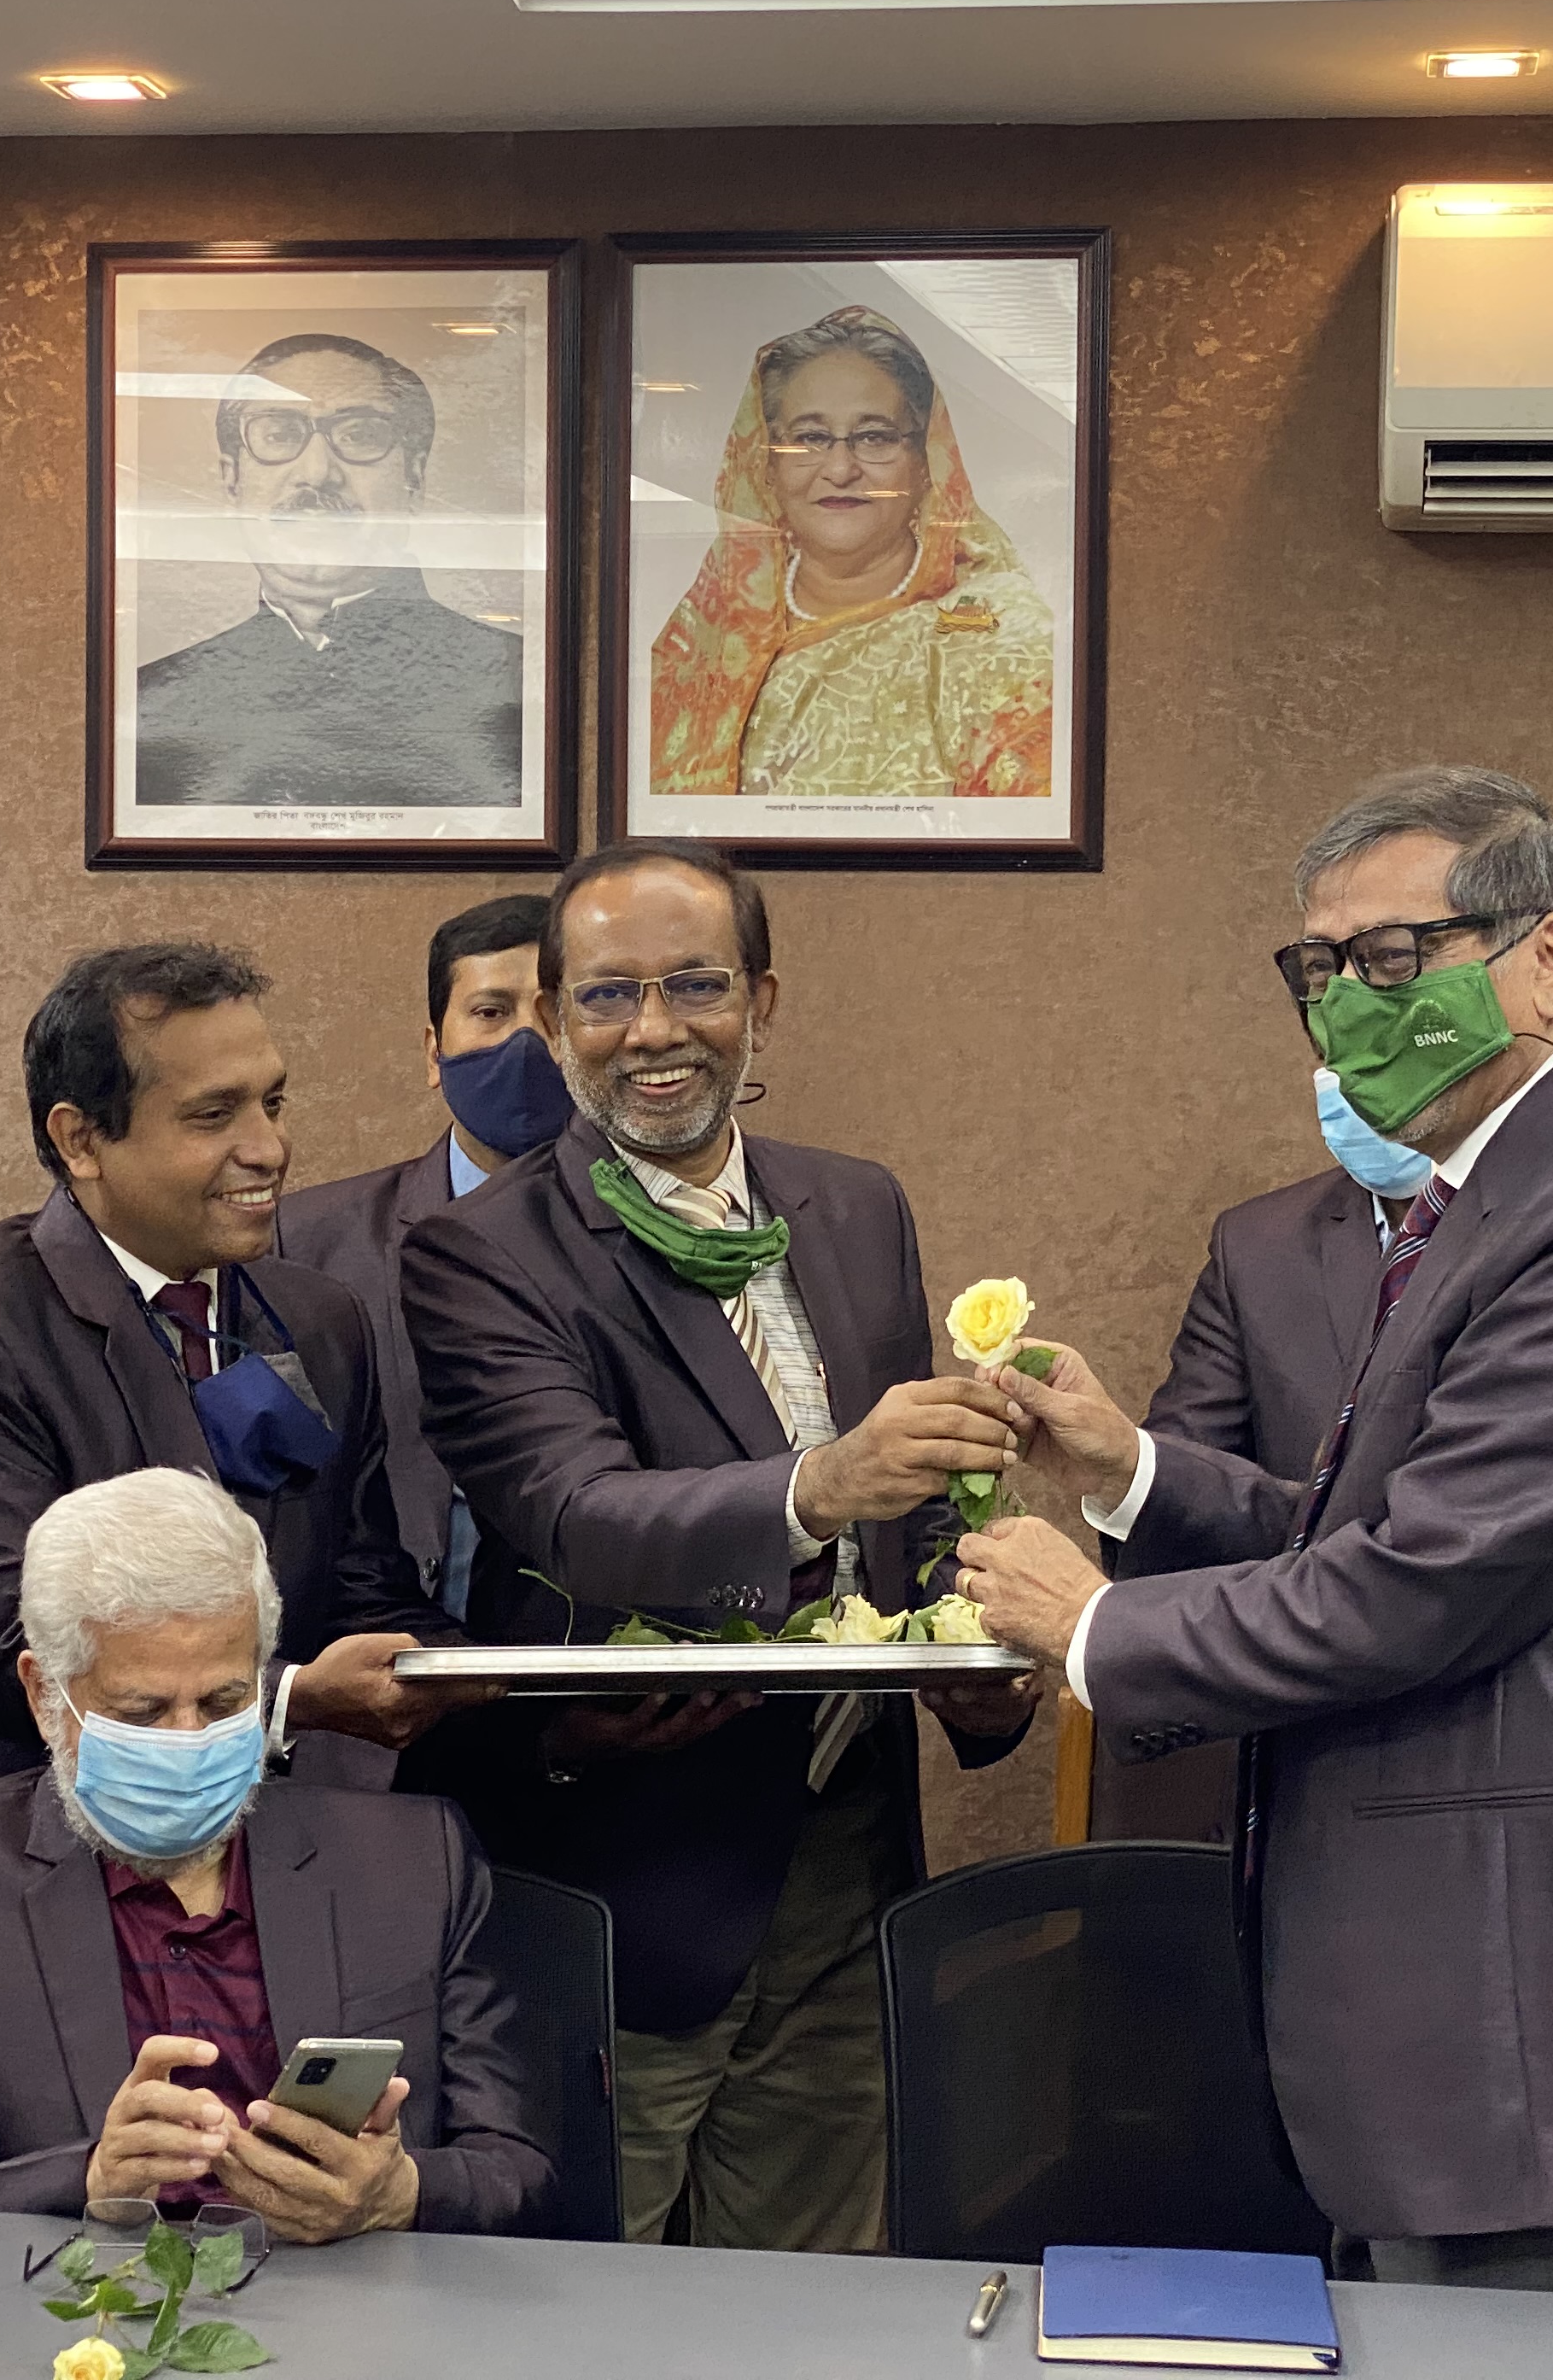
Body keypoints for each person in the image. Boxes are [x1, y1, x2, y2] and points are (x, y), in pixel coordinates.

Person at [958, 766, 1553, 2298]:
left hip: (1550, 2040)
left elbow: (1425, 1581)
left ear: (1549, 957)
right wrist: (1132, 1472)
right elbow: (1389, 1525)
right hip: (1471, 2046)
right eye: (1320, 967)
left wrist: (1093, 1625)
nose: (1347, 1004)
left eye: (1392, 956)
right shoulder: (1500, 1193)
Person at [398, 837, 1041, 2252]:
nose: (655, 1030)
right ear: (555, 1018)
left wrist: (983, 1659)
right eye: (609, 994)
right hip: (633, 1869)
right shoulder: (483, 1251)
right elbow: (575, 1514)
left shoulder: (855, 1203)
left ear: (761, 999)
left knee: (815, 2304)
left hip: (845, 1860)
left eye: (695, 984)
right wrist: (825, 1481)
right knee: (579, 2303)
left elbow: (916, 1508)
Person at [0, 942, 475, 2043]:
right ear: (81, 1140)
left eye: (272, 1102)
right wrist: (291, 1700)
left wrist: (515, 1687)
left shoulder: (319, 1318)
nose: (269, 1148)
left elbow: (360, 1582)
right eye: (214, 1115)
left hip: (228, 1913)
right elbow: (1, 1643)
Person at [0, 1468, 553, 2236]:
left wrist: (401, 2194)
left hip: (353, 2296)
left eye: (224, 1702)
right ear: (43, 1692)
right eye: (142, 1711)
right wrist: (90, 2180)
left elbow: (519, 2170)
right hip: (80, 2300)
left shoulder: (413, 1862)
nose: (189, 1740)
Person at [1092, 1069, 1421, 1842]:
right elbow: (1179, 1496)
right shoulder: (1258, 1247)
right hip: (1305, 1780)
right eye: (1327, 1033)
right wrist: (1120, 1470)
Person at [276, 891, 568, 1614]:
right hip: (380, 1647)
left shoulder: (683, 1233)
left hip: (608, 1655)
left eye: (553, 1014)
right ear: (435, 1053)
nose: (526, 1042)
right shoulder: (305, 1245)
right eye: (491, 1012)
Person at [647, 304, 1054, 799]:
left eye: (875, 437)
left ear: (925, 461)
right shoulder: (711, 627)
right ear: (767, 466)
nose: (840, 469)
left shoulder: (993, 631)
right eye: (810, 438)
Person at [135, 331, 526, 810]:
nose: (317, 472)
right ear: (232, 479)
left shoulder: (521, 688)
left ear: (414, 478)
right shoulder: (148, 704)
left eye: (359, 435)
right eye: (280, 434)